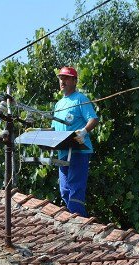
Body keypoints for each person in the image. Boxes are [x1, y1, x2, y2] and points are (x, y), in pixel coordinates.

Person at [52, 66, 99, 217]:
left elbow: (93, 119)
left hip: (78, 150)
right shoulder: (58, 104)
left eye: (66, 78)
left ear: (74, 80)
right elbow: (54, 128)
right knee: (64, 190)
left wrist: (84, 131)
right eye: (61, 78)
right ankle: (73, 219)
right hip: (63, 151)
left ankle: (80, 223)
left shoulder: (80, 99)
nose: (62, 81)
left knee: (75, 190)